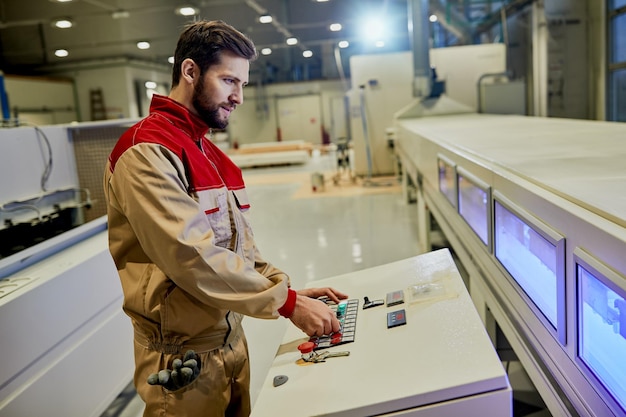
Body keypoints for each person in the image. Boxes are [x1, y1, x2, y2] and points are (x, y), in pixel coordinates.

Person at [103, 20, 348, 417]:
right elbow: (191, 256)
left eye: (243, 85)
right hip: (182, 361)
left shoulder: (209, 155)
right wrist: (286, 305)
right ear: (190, 71)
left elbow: (238, 251)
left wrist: (288, 291)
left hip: (230, 342)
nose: (238, 97)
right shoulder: (147, 151)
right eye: (229, 81)